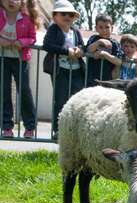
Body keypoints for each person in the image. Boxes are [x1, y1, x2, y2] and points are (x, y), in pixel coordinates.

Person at [43, 0, 85, 139]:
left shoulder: (76, 31)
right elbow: (47, 45)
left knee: (77, 100)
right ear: (55, 16)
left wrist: (80, 50)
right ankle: (58, 130)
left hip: (77, 70)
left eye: (71, 15)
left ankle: (76, 130)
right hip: (60, 70)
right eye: (63, 13)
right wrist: (66, 51)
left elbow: (82, 46)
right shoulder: (53, 29)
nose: (67, 16)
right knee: (60, 100)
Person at [0, 0, 39, 139]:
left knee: (23, 90)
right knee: (3, 91)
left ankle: (30, 127)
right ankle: (6, 127)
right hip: (2, 58)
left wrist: (21, 42)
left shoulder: (26, 19)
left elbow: (32, 38)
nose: (11, 1)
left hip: (20, 60)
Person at [85, 14, 122, 87]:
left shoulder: (115, 43)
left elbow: (119, 61)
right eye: (101, 27)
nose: (104, 30)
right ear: (96, 28)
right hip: (91, 80)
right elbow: (88, 50)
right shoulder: (93, 39)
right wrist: (99, 42)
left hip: (107, 81)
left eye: (107, 27)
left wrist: (104, 54)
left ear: (112, 28)